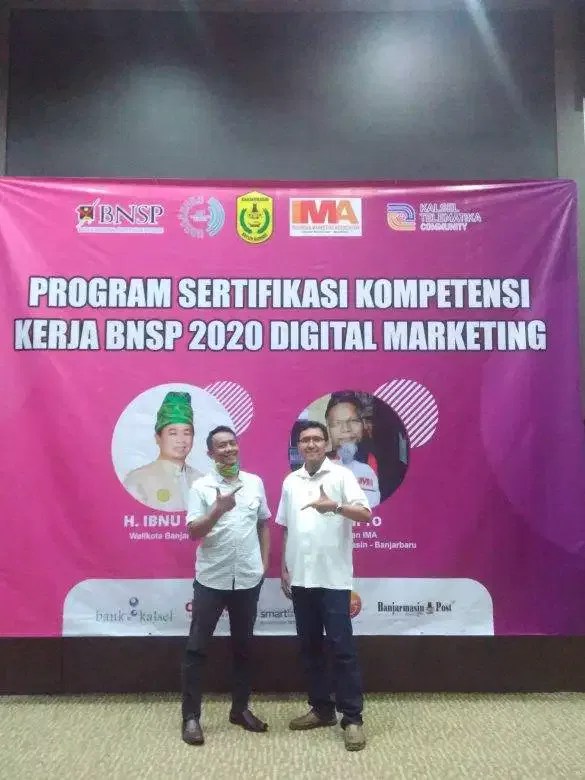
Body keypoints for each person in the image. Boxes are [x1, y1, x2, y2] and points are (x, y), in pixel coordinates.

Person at [277, 420, 371, 752]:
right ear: (299, 446)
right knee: (310, 648)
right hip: (301, 579)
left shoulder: (342, 476)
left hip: (333, 580)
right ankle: (321, 709)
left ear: (327, 444)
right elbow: (286, 527)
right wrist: (283, 567)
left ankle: (353, 719)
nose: (312, 444)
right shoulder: (291, 481)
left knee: (342, 649)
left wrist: (336, 507)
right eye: (305, 440)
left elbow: (365, 513)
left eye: (318, 439)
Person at [181, 425, 270, 746]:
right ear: (210, 453)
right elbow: (194, 532)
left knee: (243, 648)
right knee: (196, 648)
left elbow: (263, 523)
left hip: (247, 579)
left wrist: (263, 564)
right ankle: (191, 717)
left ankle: (240, 709)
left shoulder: (255, 483)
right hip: (211, 579)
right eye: (221, 446)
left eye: (232, 443)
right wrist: (218, 509)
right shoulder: (200, 487)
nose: (229, 449)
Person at [124, 391, 202, 511]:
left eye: (186, 433)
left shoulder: (201, 481)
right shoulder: (138, 480)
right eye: (173, 433)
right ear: (158, 438)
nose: (181, 440)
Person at [325, 392, 380, 508]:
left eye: (353, 421)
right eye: (337, 423)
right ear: (328, 429)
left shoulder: (375, 463)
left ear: (363, 424)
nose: (346, 429)